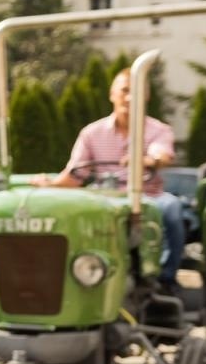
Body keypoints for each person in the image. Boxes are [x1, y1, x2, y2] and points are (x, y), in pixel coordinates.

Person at [41, 70, 184, 287]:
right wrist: (48, 185)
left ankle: (165, 278)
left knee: (171, 209)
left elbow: (161, 155)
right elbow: (75, 176)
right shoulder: (92, 133)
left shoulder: (158, 130)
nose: (130, 97)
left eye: (137, 91)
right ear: (112, 94)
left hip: (148, 195)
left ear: (146, 96)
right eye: (125, 90)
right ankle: (81, 272)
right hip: (104, 196)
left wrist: (146, 160)